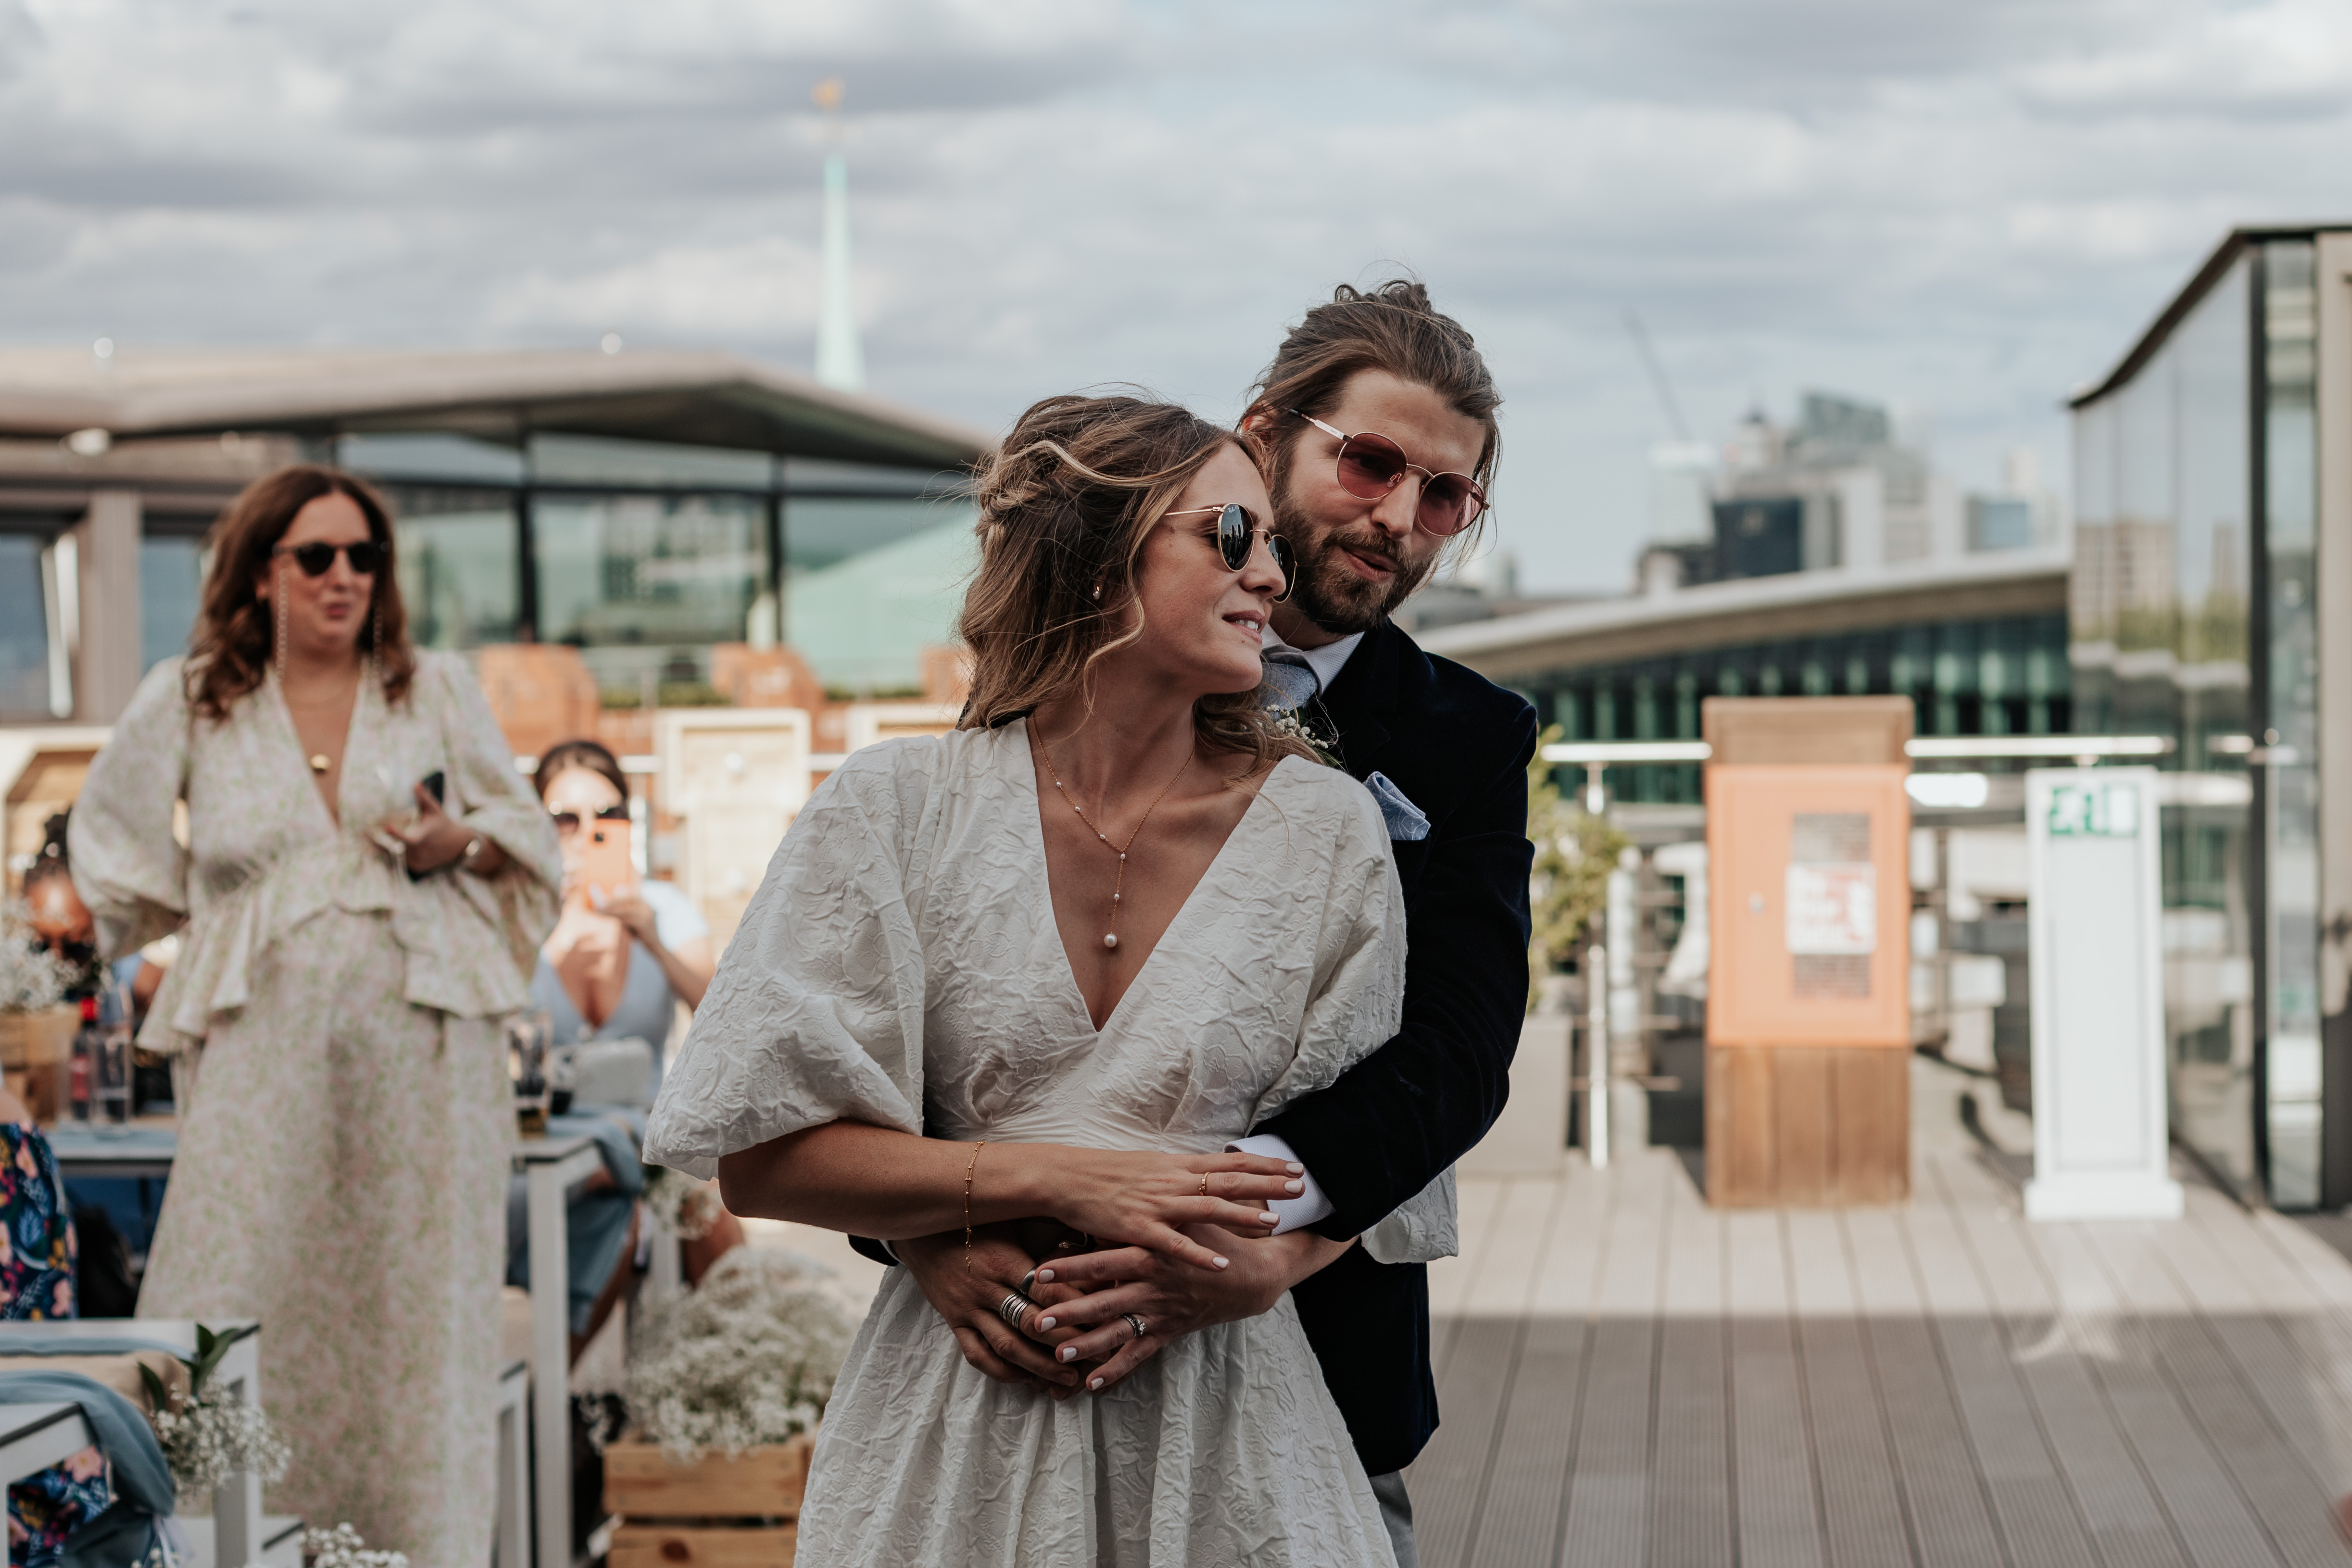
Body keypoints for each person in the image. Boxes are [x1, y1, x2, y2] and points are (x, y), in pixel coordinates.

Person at [646, 394, 1446, 1565]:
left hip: (1224, 1448)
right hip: (948, 1444)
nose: (1270, 576)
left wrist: (1234, 1272)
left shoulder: (1325, 830)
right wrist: (1040, 1181)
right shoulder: (891, 809)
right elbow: (760, 1157)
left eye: (1270, 540)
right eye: (1230, 535)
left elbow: (1369, 1181)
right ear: (1092, 553)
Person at [869, 280, 1536, 1567]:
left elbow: (1460, 1044)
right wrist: (922, 1230)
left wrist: (1258, 1241)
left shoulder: (1468, 736)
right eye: (1371, 462)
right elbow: (950, 997)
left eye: (1445, 495)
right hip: (1014, 1338)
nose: (1399, 518)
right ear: (1266, 434)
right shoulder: (1054, 690)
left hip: (1312, 1366)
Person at [68, 464, 562, 1568]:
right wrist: (56, 955)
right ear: (258, 574)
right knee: (223, 1287)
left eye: (364, 555)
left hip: (428, 1050)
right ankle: (203, 1545)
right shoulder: (193, 693)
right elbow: (111, 859)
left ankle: (413, 1548)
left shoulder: (431, 685)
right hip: (260, 1054)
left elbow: (526, 833)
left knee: (415, 1317)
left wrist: (458, 842)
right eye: (317, 555)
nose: (346, 576)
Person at [529, 739, 714, 1097]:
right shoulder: (524, 916)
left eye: (607, 815)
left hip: (643, 1142)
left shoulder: (665, 907)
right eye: (564, 819)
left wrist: (654, 943)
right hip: (547, 1138)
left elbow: (724, 1024)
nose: (587, 832)